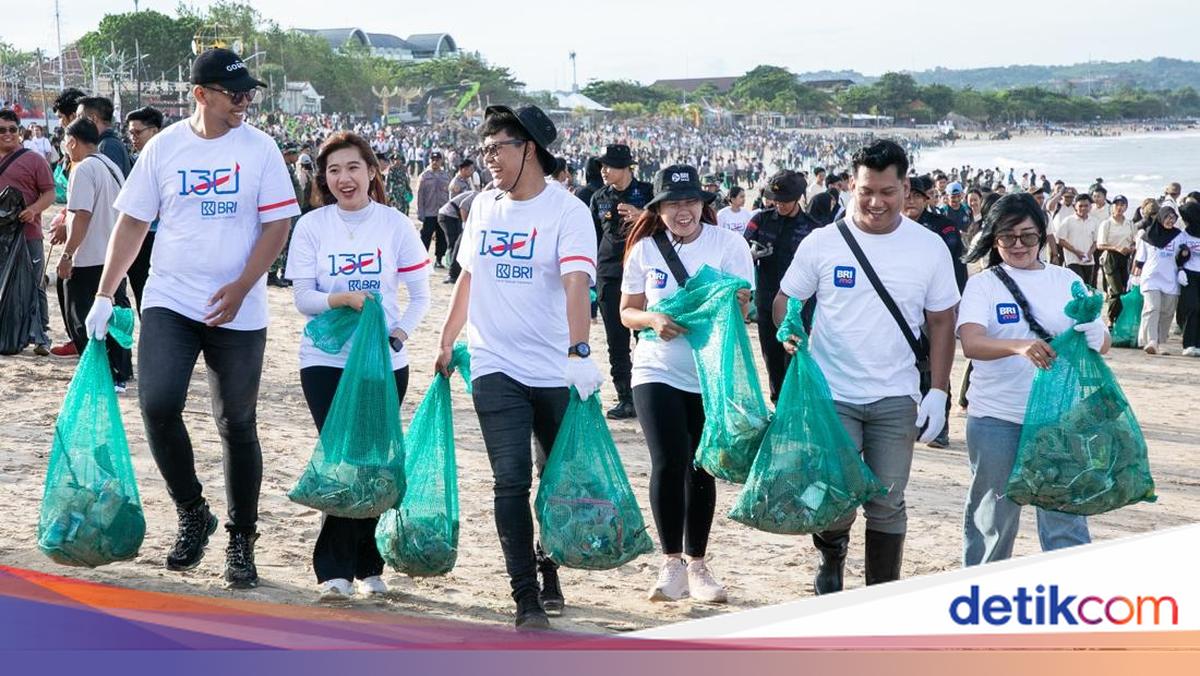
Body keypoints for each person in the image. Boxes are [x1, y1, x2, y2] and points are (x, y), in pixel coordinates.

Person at [84, 48, 301, 590]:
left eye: (250, 92)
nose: (245, 101)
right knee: (157, 405)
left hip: (239, 308)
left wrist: (243, 284)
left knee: (236, 424)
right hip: (172, 301)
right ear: (201, 95)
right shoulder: (164, 148)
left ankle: (241, 540)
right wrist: (105, 294)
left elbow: (278, 227)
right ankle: (192, 512)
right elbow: (133, 224)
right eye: (235, 93)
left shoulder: (261, 149)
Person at [432, 104, 602, 630]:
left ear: (529, 148)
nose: (489, 158)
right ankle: (524, 596)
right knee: (510, 480)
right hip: (494, 362)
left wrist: (579, 351)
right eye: (485, 149)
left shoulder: (567, 212)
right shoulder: (483, 206)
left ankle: (549, 566)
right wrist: (447, 339)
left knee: (554, 476)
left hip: (553, 367)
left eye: (498, 147)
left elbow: (577, 283)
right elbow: (469, 275)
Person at [774, 140, 959, 594]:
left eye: (887, 192)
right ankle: (831, 555)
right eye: (865, 191)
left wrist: (938, 390)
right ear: (850, 187)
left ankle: (882, 593)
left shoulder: (929, 247)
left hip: (896, 395)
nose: (876, 202)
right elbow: (784, 300)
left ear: (906, 188)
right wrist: (789, 326)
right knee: (836, 496)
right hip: (832, 393)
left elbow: (942, 321)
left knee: (887, 500)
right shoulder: (823, 242)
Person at [285, 131, 431, 601]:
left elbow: (420, 294)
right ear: (323, 179)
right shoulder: (312, 226)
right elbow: (303, 297)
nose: (343, 178)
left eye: (352, 168)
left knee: (373, 462)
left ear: (372, 171)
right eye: (333, 170)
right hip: (325, 361)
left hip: (384, 363)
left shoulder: (393, 224)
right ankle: (333, 570)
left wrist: (399, 333)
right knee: (343, 460)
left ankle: (368, 565)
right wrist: (342, 298)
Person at [619, 164, 752, 604]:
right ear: (658, 208)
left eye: (691, 201)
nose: (683, 211)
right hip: (656, 368)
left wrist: (732, 301)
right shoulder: (644, 250)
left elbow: (743, 303)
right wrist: (653, 319)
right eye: (673, 203)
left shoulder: (729, 245)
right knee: (668, 460)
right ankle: (671, 562)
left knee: (702, 464)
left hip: (708, 373)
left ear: (703, 204)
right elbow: (627, 311)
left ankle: (698, 563)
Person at [957, 193, 1100, 565]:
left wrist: (1094, 334)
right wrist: (1019, 346)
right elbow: (971, 342)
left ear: (1043, 235)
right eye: (1007, 237)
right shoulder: (984, 285)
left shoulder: (1066, 280)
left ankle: (1070, 601)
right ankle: (980, 597)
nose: (1018, 245)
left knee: (1063, 514)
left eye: (1028, 236)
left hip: (1059, 418)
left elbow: (1100, 338)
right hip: (996, 418)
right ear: (993, 238)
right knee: (993, 517)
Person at [55, 117, 134, 386]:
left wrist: (67, 255)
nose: (65, 147)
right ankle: (120, 372)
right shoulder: (110, 165)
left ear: (73, 142)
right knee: (116, 311)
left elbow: (82, 216)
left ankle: (100, 373)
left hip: (89, 257)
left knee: (81, 315)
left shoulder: (84, 168)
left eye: (65, 142)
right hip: (114, 255)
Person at [590, 143, 653, 420]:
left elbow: (668, 227)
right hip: (608, 274)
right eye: (601, 165)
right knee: (616, 339)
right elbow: (592, 235)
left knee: (645, 336)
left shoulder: (649, 193)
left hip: (643, 274)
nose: (603, 171)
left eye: (610, 166)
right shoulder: (598, 197)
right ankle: (625, 397)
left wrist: (645, 217)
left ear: (627, 167)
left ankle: (646, 395)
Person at [744, 170, 818, 403]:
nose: (779, 205)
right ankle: (778, 403)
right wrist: (752, 255)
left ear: (798, 199)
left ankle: (793, 404)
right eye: (775, 200)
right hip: (766, 301)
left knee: (794, 355)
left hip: (799, 305)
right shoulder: (760, 219)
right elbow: (740, 252)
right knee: (771, 357)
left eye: (785, 201)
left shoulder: (812, 228)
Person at [904, 175, 966, 450]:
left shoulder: (943, 227)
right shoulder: (892, 228)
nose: (912, 201)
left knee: (936, 362)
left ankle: (939, 428)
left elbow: (956, 265)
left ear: (926, 199)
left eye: (918, 196)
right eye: (908, 195)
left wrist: (958, 302)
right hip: (903, 306)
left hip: (936, 307)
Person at [0, 109, 55, 354]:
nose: (8, 134)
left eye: (12, 129)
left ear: (20, 131)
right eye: (2, 130)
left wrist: (33, 210)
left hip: (28, 233)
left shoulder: (34, 160)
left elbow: (50, 193)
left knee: (35, 283)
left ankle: (41, 336)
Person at [123, 106, 164, 314]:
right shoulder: (139, 159)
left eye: (137, 132)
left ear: (154, 131)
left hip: (153, 237)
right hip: (141, 236)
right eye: (130, 133)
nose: (133, 138)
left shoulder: (164, 161)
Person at [1133, 205, 1183, 355]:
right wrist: (1134, 274)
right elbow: (1140, 258)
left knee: (1167, 311)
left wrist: (1185, 254)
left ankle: (1160, 341)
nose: (1170, 221)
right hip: (1151, 278)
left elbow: (1182, 255)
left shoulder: (1178, 235)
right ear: (1161, 218)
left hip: (1170, 278)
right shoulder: (1148, 236)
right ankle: (1151, 341)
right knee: (1152, 307)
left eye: (1173, 218)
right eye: (1167, 217)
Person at [1096, 195, 1136, 326]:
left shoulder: (1130, 223)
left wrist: (1131, 249)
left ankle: (1119, 318)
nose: (1119, 207)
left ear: (1126, 207)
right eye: (1117, 204)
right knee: (1116, 290)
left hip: (1126, 258)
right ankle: (1111, 319)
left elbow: (1135, 242)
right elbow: (1100, 245)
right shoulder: (1106, 223)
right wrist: (1116, 248)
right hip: (1111, 257)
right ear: (1112, 206)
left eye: (1122, 205)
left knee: (1125, 290)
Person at [77, 97, 131, 177]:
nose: (76, 122)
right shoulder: (108, 142)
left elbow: (110, 185)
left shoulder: (107, 146)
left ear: (93, 118)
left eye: (80, 117)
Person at [417, 150, 450, 268]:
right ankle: (422, 260)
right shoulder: (424, 176)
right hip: (429, 212)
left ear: (441, 161)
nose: (435, 162)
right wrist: (420, 212)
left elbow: (449, 194)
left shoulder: (446, 175)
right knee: (425, 237)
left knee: (442, 237)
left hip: (442, 211)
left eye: (437, 160)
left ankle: (439, 260)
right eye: (433, 159)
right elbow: (420, 196)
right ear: (430, 160)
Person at [1176, 197, 1200, 357]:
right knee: (1193, 307)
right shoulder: (1183, 235)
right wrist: (1181, 266)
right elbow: (1177, 256)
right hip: (1189, 274)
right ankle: (1189, 343)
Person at [1055, 196, 1099, 285]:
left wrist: (1090, 253)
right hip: (1072, 260)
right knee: (1078, 285)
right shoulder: (1068, 220)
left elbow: (1096, 241)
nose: (1083, 208)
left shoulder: (1094, 221)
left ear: (1090, 207)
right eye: (1080, 206)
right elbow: (1060, 240)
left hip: (1088, 260)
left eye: (1086, 206)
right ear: (1075, 206)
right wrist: (1076, 252)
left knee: (1087, 287)